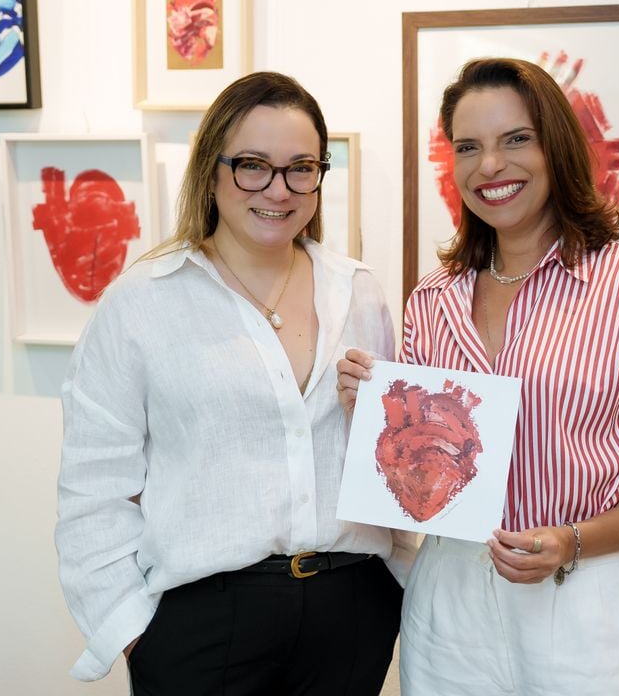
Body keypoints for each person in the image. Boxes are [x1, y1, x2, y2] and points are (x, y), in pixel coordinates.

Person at [337, 57, 619, 695]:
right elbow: (426, 485)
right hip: (451, 608)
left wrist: (572, 541)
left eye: (515, 140)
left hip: (587, 598)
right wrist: (382, 420)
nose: (489, 166)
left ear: (556, 146)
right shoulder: (432, 301)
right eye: (468, 147)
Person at [56, 71, 413, 694]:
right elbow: (93, 484)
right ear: (211, 171)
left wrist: (380, 421)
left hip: (351, 609)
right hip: (205, 624)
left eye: (301, 167)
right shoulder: (143, 302)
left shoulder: (358, 291)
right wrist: (137, 635)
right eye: (253, 165)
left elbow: (387, 466)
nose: (279, 189)